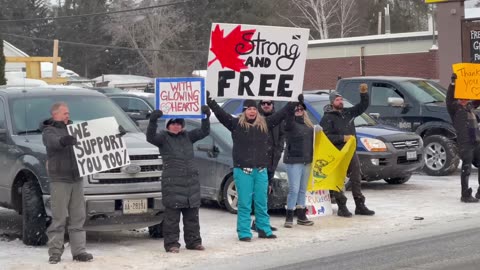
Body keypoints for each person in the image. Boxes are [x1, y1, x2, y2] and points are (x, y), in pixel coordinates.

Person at [207, 92, 296, 241]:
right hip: (243, 170)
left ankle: (263, 228)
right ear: (244, 111)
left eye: (254, 109)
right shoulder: (235, 125)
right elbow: (220, 114)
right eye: (249, 109)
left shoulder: (265, 124)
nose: (252, 111)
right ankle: (244, 231)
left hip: (261, 170)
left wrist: (293, 102)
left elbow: (281, 114)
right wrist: (210, 102)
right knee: (245, 203)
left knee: (262, 202)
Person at [146, 105, 211, 253]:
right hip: (172, 184)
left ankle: (194, 242)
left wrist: (206, 117)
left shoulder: (188, 136)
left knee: (192, 217)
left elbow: (204, 131)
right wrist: (153, 121)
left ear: (182, 125)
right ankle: (172, 244)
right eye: (173, 123)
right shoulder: (163, 137)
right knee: (172, 219)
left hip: (191, 184)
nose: (176, 126)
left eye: (179, 123)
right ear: (168, 125)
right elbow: (150, 137)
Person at [41, 102, 95, 264]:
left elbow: (96, 139)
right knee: (58, 218)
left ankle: (79, 251)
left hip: (76, 178)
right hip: (60, 180)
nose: (68, 116)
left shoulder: (75, 129)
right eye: (65, 113)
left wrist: (115, 135)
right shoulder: (48, 131)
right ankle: (55, 252)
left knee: (78, 217)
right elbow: (52, 142)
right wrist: (64, 140)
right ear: (55, 114)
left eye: (68, 113)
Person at [320, 84, 375, 217]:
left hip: (351, 152)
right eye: (338, 100)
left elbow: (362, 106)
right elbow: (326, 137)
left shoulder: (348, 113)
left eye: (341, 99)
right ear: (332, 102)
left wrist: (363, 94)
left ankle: (360, 205)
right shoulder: (327, 118)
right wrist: (342, 138)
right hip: (337, 154)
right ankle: (341, 206)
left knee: (356, 178)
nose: (341, 101)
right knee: (338, 180)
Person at [251, 100, 286, 232]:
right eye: (263, 103)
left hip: (272, 160)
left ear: (273, 105)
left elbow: (282, 136)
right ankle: (258, 222)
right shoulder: (256, 119)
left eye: (269, 103)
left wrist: (278, 151)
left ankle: (262, 221)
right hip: (259, 161)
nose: (266, 105)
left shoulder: (277, 119)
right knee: (260, 193)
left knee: (266, 192)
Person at [446, 73, 480, 203]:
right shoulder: (454, 109)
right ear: (458, 99)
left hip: (476, 141)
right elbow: (449, 99)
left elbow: (478, 99)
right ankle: (465, 194)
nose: (465, 99)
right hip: (465, 143)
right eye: (462, 98)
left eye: (466, 97)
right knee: (466, 167)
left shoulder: (470, 107)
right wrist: (453, 84)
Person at [283, 101, 316, 227]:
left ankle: (301, 215)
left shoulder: (309, 126)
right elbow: (288, 122)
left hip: (306, 160)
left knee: (303, 189)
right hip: (293, 160)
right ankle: (289, 215)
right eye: (296, 109)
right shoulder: (290, 124)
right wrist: (293, 104)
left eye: (301, 109)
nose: (299, 111)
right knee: (294, 189)